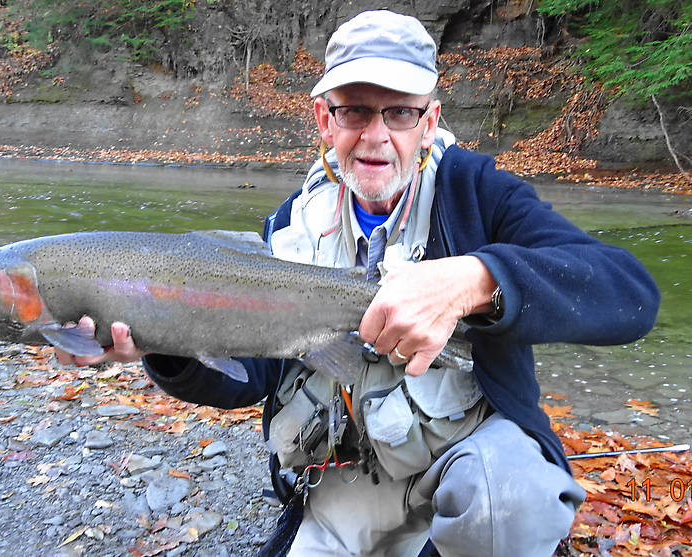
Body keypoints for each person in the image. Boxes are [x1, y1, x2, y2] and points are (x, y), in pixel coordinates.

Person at [55, 10, 660, 557]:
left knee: (511, 505)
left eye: (399, 111)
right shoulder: (292, 224)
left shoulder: (480, 196)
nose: (376, 135)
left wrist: (478, 279)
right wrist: (166, 339)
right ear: (325, 119)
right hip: (336, 489)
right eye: (355, 110)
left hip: (463, 476)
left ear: (429, 121)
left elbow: (628, 294)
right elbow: (253, 378)